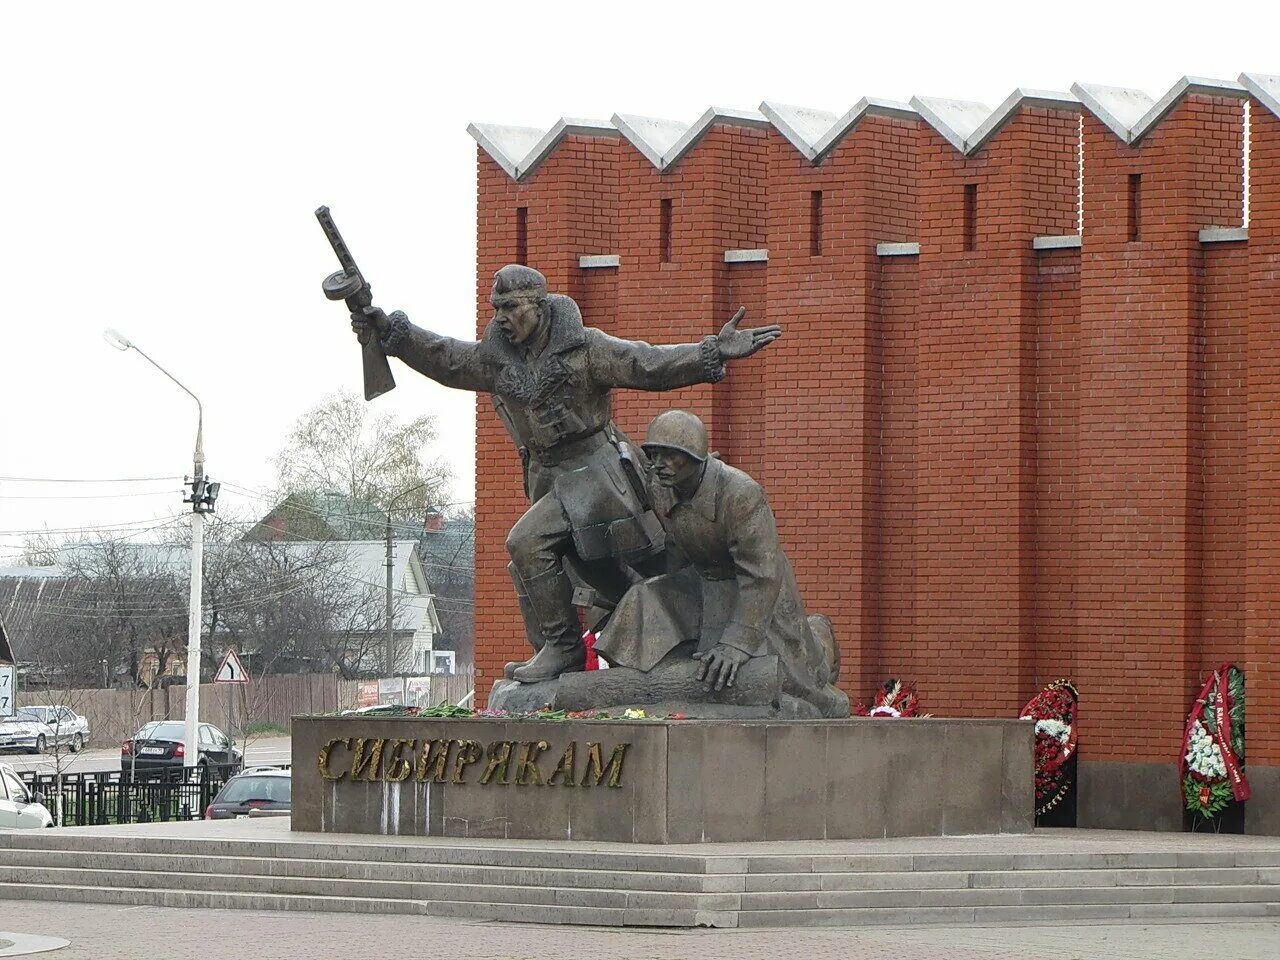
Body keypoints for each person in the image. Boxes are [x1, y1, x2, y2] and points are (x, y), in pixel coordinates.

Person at [351, 265, 780, 682]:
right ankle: (614, 638)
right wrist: (392, 334)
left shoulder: (584, 348)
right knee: (601, 574)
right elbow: (447, 358)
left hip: (595, 474)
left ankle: (564, 647)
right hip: (547, 478)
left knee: (527, 542)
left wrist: (710, 352)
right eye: (496, 308)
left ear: (538, 306)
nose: (501, 318)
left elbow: (645, 363)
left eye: (511, 307)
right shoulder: (497, 358)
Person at [594, 410, 847, 718]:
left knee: (800, 678)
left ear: (696, 457)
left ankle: (818, 640)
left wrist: (737, 643)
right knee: (643, 596)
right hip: (701, 581)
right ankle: (647, 676)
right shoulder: (659, 486)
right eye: (654, 454)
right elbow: (676, 547)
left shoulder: (741, 493)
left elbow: (762, 574)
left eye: (671, 456)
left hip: (753, 590)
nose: (659, 464)